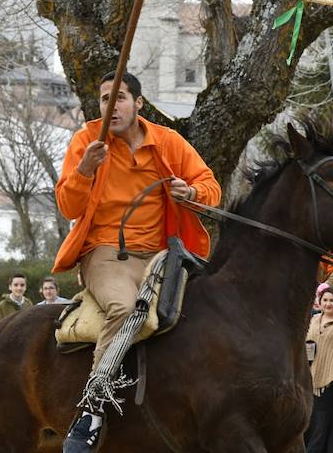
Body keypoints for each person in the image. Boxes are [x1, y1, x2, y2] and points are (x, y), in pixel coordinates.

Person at [55, 71, 221, 452]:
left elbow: (211, 187)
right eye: (103, 99)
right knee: (128, 310)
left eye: (120, 97)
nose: (110, 106)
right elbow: (67, 205)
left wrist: (191, 190)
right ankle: (91, 410)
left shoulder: (169, 141)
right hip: (105, 253)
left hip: (166, 255)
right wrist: (84, 171)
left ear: (139, 104)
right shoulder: (86, 141)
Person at [304, 287, 333, 453]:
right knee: (314, 420)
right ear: (319, 302)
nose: (328, 303)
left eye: (332, 300)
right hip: (310, 377)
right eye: (325, 300)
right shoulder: (313, 319)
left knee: (329, 421)